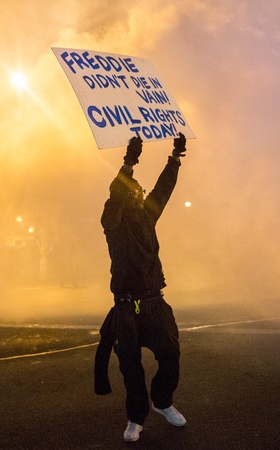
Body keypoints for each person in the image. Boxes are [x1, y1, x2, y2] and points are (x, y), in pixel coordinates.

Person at [99, 132, 188, 442]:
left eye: (141, 192)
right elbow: (114, 195)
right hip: (126, 306)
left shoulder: (147, 217)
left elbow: (164, 189)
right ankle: (136, 419)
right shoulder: (113, 222)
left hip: (153, 301)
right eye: (135, 192)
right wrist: (128, 163)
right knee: (131, 366)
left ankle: (162, 402)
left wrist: (174, 158)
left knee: (171, 353)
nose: (142, 195)